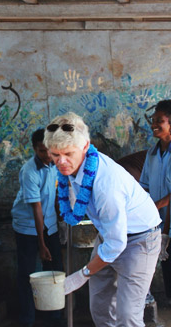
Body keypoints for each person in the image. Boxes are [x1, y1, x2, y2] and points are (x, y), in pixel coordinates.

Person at [44, 112, 161, 327]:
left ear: (85, 147)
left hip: (140, 239)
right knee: (100, 306)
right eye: (54, 155)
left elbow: (117, 244)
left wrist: (81, 275)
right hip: (109, 234)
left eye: (68, 153)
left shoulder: (106, 184)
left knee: (128, 316)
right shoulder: (70, 165)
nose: (61, 162)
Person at [11, 128, 63, 327]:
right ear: (34, 149)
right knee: (28, 274)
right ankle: (27, 319)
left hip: (49, 225)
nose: (47, 155)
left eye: (49, 150)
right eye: (42, 151)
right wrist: (41, 244)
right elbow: (37, 209)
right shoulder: (29, 171)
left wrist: (61, 221)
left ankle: (55, 317)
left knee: (56, 271)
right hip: (27, 228)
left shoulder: (56, 164)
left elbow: (58, 195)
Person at [139, 99, 171, 304]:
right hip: (157, 224)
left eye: (159, 120)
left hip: (165, 222)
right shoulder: (152, 153)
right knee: (166, 267)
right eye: (153, 120)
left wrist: (155, 206)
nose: (153, 124)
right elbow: (144, 186)